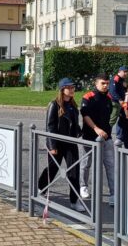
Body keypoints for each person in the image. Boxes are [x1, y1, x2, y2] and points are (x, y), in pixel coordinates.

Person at [38, 78, 84, 212]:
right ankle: (40, 188)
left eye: (73, 87)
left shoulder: (73, 106)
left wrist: (79, 131)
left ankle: (74, 200)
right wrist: (52, 146)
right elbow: (50, 126)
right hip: (57, 144)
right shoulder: (54, 105)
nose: (72, 90)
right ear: (62, 90)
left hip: (71, 144)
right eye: (69, 87)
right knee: (52, 169)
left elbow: (74, 124)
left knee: (74, 171)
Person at [78, 73, 115, 205]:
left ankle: (113, 194)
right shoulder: (89, 96)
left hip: (107, 137)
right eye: (103, 83)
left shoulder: (109, 97)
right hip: (90, 136)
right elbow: (85, 114)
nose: (105, 86)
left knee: (110, 165)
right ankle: (83, 186)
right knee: (86, 163)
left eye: (107, 83)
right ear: (96, 83)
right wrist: (96, 129)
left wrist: (107, 128)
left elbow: (112, 113)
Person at [109, 66, 128, 133]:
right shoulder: (116, 78)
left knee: (123, 118)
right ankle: (105, 135)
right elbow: (112, 91)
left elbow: (123, 90)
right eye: (124, 72)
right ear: (119, 72)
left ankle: (120, 136)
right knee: (112, 120)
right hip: (115, 102)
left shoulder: (122, 80)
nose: (126, 73)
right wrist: (119, 100)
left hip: (121, 103)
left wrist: (126, 88)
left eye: (127, 72)